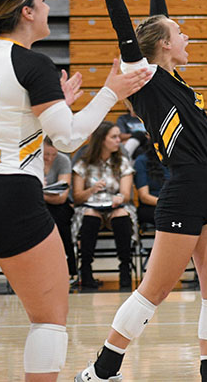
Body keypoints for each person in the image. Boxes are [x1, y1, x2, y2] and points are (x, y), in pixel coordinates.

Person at [0, 0, 146, 381]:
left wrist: (54, 104)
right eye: (41, 2)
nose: (46, 8)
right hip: (8, 194)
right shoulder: (32, 63)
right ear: (27, 12)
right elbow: (70, 137)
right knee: (48, 320)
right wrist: (110, 91)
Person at [73, 0, 207, 382]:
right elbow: (128, 27)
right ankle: (103, 370)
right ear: (164, 44)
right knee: (155, 290)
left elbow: (156, 23)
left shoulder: (173, 76)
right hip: (182, 188)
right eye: (180, 33)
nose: (186, 38)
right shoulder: (144, 79)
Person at [72, 121, 137, 289]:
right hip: (90, 205)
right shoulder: (83, 163)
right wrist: (91, 190)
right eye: (114, 137)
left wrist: (119, 198)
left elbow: (126, 194)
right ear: (102, 140)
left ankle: (125, 268)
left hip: (115, 206)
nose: (119, 141)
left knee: (121, 216)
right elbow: (77, 197)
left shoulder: (122, 162)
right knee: (90, 217)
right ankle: (86, 269)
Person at [43, 136, 77, 279]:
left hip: (57, 204)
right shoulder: (31, 159)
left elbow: (62, 196)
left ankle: (69, 269)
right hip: (36, 203)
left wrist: (38, 192)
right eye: (46, 155)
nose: (50, 158)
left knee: (60, 217)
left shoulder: (63, 160)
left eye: (54, 154)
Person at [134, 138, 171, 227]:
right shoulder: (142, 161)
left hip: (176, 203)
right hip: (153, 206)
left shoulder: (178, 160)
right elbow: (144, 197)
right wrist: (171, 204)